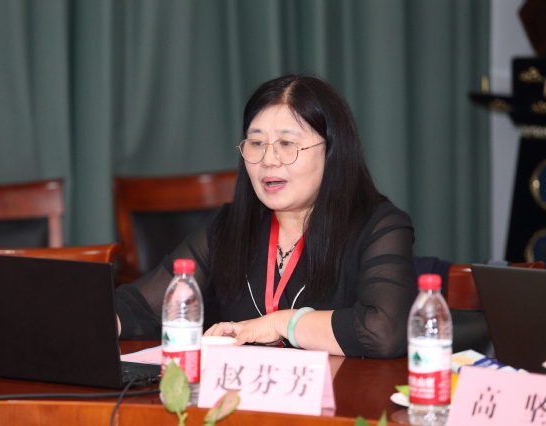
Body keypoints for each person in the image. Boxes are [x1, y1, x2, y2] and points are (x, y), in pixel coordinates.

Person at [115, 73, 417, 358]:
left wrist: (280, 323)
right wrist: (99, 321)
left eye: (287, 144)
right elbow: (139, 307)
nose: (268, 160)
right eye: (257, 143)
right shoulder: (228, 227)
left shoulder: (379, 226)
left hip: (339, 395)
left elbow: (383, 330)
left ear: (332, 150)